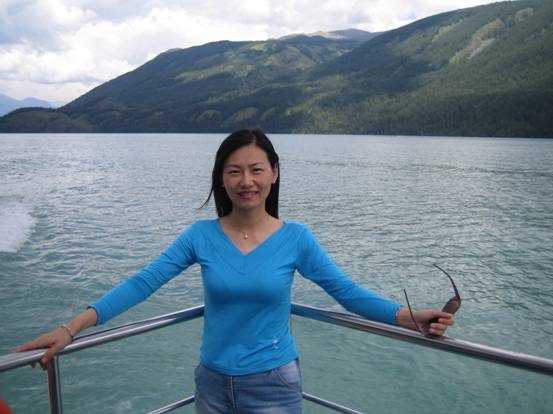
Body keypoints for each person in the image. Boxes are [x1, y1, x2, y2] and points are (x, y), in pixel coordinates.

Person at [17, 128, 454, 413]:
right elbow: (143, 282)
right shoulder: (200, 236)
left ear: (274, 173)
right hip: (211, 384)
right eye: (235, 171)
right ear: (222, 179)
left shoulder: (296, 238)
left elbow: (346, 292)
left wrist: (407, 316)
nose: (247, 181)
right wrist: (71, 328)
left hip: (274, 385)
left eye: (256, 170)